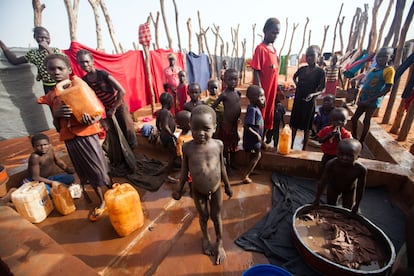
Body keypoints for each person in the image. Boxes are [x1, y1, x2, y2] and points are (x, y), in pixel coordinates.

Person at [39, 54, 110, 221]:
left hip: (87, 135)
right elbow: (57, 127)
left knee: (98, 168)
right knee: (84, 170)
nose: (56, 72)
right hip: (71, 140)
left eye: (60, 68)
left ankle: (108, 193)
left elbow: (98, 111)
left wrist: (90, 119)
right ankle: (102, 200)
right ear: (47, 72)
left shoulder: (80, 87)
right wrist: (56, 115)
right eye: (52, 69)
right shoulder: (51, 97)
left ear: (69, 70)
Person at [172, 105, 233, 265]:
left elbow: (221, 167)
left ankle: (219, 242)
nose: (200, 133)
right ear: (190, 127)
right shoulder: (187, 147)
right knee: (204, 216)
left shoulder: (218, 145)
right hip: (197, 191)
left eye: (206, 128)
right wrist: (178, 189)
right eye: (196, 129)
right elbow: (184, 170)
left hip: (216, 189)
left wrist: (227, 185)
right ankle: (205, 239)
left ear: (214, 127)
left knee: (216, 216)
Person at [76, 49, 137, 150]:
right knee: (114, 133)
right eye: (82, 62)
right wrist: (101, 118)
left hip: (119, 105)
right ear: (79, 64)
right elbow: (88, 101)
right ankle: (123, 155)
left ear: (92, 61)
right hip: (107, 110)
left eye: (87, 61)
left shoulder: (103, 75)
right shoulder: (84, 81)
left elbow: (122, 91)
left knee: (128, 130)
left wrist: (113, 108)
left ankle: (133, 155)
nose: (85, 64)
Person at [351, 47, 395, 144]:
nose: (380, 59)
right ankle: (354, 138)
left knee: (367, 120)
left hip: (373, 100)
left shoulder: (389, 70)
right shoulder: (373, 69)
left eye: (384, 57)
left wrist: (371, 99)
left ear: (390, 58)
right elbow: (365, 84)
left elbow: (387, 88)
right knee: (354, 119)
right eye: (379, 57)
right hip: (364, 98)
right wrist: (359, 97)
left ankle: (361, 141)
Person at [0, 26, 62, 94]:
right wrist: (3, 46)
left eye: (47, 38)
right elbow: (15, 61)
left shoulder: (55, 50)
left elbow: (58, 62)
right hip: (47, 86)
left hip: (61, 84)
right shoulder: (33, 54)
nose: (44, 40)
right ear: (35, 37)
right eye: (41, 37)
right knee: (52, 103)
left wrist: (48, 48)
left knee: (64, 103)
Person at [313, 138, 367, 214]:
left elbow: (360, 188)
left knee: (348, 210)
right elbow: (323, 182)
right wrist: (317, 198)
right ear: (336, 152)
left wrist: (357, 205)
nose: (344, 158)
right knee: (330, 207)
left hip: (349, 190)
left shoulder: (360, 169)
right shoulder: (331, 164)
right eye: (341, 154)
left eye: (349, 156)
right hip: (333, 187)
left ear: (358, 156)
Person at [251, 18, 281, 147]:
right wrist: (260, 93)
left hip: (272, 91)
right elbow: (256, 71)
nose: (275, 36)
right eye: (273, 32)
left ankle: (262, 140)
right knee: (260, 115)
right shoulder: (260, 49)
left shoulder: (273, 50)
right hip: (263, 92)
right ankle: (256, 142)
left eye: (277, 33)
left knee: (269, 115)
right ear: (265, 31)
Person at [290, 46, 326, 150]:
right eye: (308, 56)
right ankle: (291, 145)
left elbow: (322, 88)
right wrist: (297, 84)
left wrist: (313, 95)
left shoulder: (320, 72)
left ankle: (304, 148)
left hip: (309, 102)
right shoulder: (302, 69)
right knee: (294, 124)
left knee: (307, 126)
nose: (309, 58)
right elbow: (294, 76)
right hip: (298, 99)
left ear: (317, 57)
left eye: (312, 55)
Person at [212, 68, 241, 173]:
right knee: (227, 146)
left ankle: (233, 163)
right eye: (230, 79)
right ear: (225, 80)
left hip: (234, 124)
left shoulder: (238, 93)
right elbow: (213, 106)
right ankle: (227, 166)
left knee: (234, 144)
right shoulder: (224, 94)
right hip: (226, 124)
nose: (233, 82)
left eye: (235, 79)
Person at [242, 85, 265, 184]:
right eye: (260, 96)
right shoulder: (252, 110)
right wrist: (257, 135)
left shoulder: (255, 108)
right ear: (253, 98)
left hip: (256, 139)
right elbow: (247, 126)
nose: (263, 99)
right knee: (257, 156)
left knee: (253, 156)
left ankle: (250, 170)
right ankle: (246, 175)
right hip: (253, 139)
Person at [156, 92, 178, 173]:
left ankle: (172, 166)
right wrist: (172, 136)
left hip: (164, 135)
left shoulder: (159, 112)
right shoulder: (166, 112)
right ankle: (168, 171)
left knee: (171, 153)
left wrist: (160, 132)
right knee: (173, 154)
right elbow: (165, 126)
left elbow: (157, 124)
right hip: (168, 137)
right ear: (169, 103)